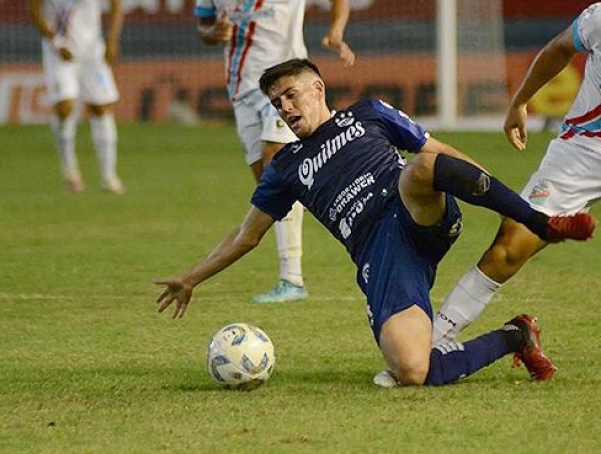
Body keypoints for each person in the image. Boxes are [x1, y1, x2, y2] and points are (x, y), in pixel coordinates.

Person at [155, 59, 595, 386]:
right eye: (277, 103)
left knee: (422, 165)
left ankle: (540, 222)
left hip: (410, 208)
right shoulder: (285, 166)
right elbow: (247, 235)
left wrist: (509, 205)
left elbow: (442, 152)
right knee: (412, 369)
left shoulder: (367, 114)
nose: (285, 108)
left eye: (291, 95)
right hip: (379, 253)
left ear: (318, 88)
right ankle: (514, 337)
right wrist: (191, 278)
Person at [194, 0, 355, 303]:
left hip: (285, 83)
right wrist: (215, 33)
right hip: (242, 87)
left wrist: (336, 33)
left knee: (277, 165)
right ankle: (298, 268)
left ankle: (293, 278)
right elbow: (204, 24)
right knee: (270, 184)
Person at [428, 3, 600, 349]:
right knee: (512, 244)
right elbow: (560, 47)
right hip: (585, 150)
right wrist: (520, 101)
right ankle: (432, 341)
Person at [23, 0, 125, 194]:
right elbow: (33, 9)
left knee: (101, 108)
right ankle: (70, 169)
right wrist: (56, 42)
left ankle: (109, 176)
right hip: (60, 51)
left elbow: (116, 3)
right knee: (66, 107)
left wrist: (112, 41)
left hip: (93, 50)